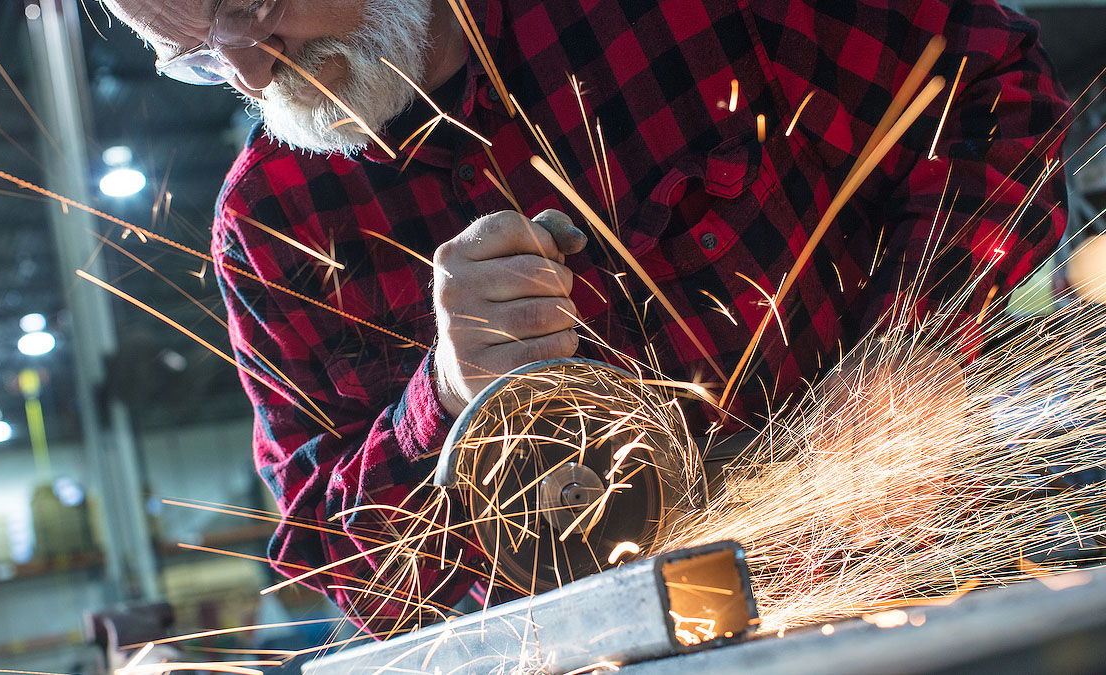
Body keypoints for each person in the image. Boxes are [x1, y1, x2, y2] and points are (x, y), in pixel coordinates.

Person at [101, 0, 1069, 636]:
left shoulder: (680, 12)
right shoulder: (271, 223)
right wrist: (443, 396)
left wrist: (918, 344)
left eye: (253, 5)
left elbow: (991, 93)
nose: (251, 71)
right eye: (190, 55)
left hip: (911, 592)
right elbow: (348, 562)